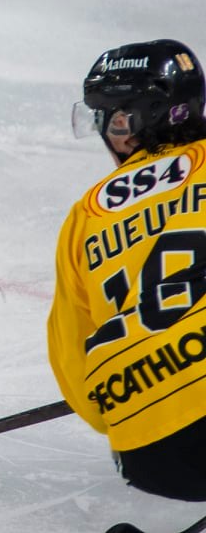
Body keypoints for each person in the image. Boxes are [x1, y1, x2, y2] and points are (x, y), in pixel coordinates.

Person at [49, 39, 206, 501]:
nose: (109, 133)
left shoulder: (85, 217)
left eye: (112, 119)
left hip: (150, 456)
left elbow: (77, 374)